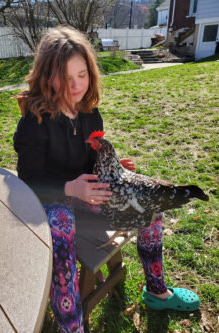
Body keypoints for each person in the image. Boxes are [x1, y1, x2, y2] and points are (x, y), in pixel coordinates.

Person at [13, 26, 200, 333]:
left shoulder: (89, 113)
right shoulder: (34, 122)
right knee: (61, 230)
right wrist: (70, 188)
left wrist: (111, 166)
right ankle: (70, 324)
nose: (76, 86)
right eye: (65, 76)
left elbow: (88, 158)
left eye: (82, 74)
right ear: (47, 76)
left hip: (89, 195)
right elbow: (28, 181)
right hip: (51, 203)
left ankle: (155, 290)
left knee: (148, 203)